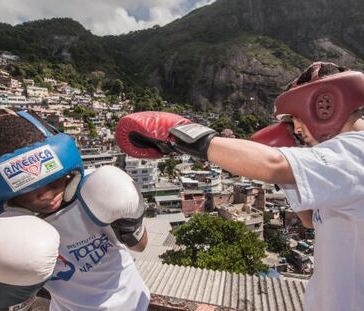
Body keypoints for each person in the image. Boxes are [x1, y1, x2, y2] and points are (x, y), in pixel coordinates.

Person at [115, 62, 364, 311]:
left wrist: (182, 135)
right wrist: (289, 162)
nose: (296, 129)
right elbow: (310, 218)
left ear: (325, 106)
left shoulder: (357, 149)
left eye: (296, 119)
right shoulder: (342, 165)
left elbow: (272, 164)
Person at [0, 108, 150, 311]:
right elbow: (6, 304)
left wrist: (132, 223)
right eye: (27, 190)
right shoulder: (3, 230)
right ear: (2, 192)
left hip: (136, 302)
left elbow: (140, 246)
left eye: (52, 180)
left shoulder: (97, 190)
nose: (46, 195)